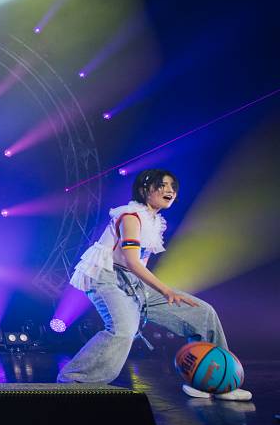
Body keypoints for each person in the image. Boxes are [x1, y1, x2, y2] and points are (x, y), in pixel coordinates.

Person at [58, 169, 251, 400]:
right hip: (107, 277)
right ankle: (74, 380)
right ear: (144, 190)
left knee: (202, 314)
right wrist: (165, 290)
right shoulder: (130, 217)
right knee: (124, 329)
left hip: (133, 281)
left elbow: (141, 264)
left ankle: (217, 383)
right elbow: (131, 261)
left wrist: (150, 297)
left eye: (172, 186)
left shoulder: (155, 222)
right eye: (162, 185)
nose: (170, 190)